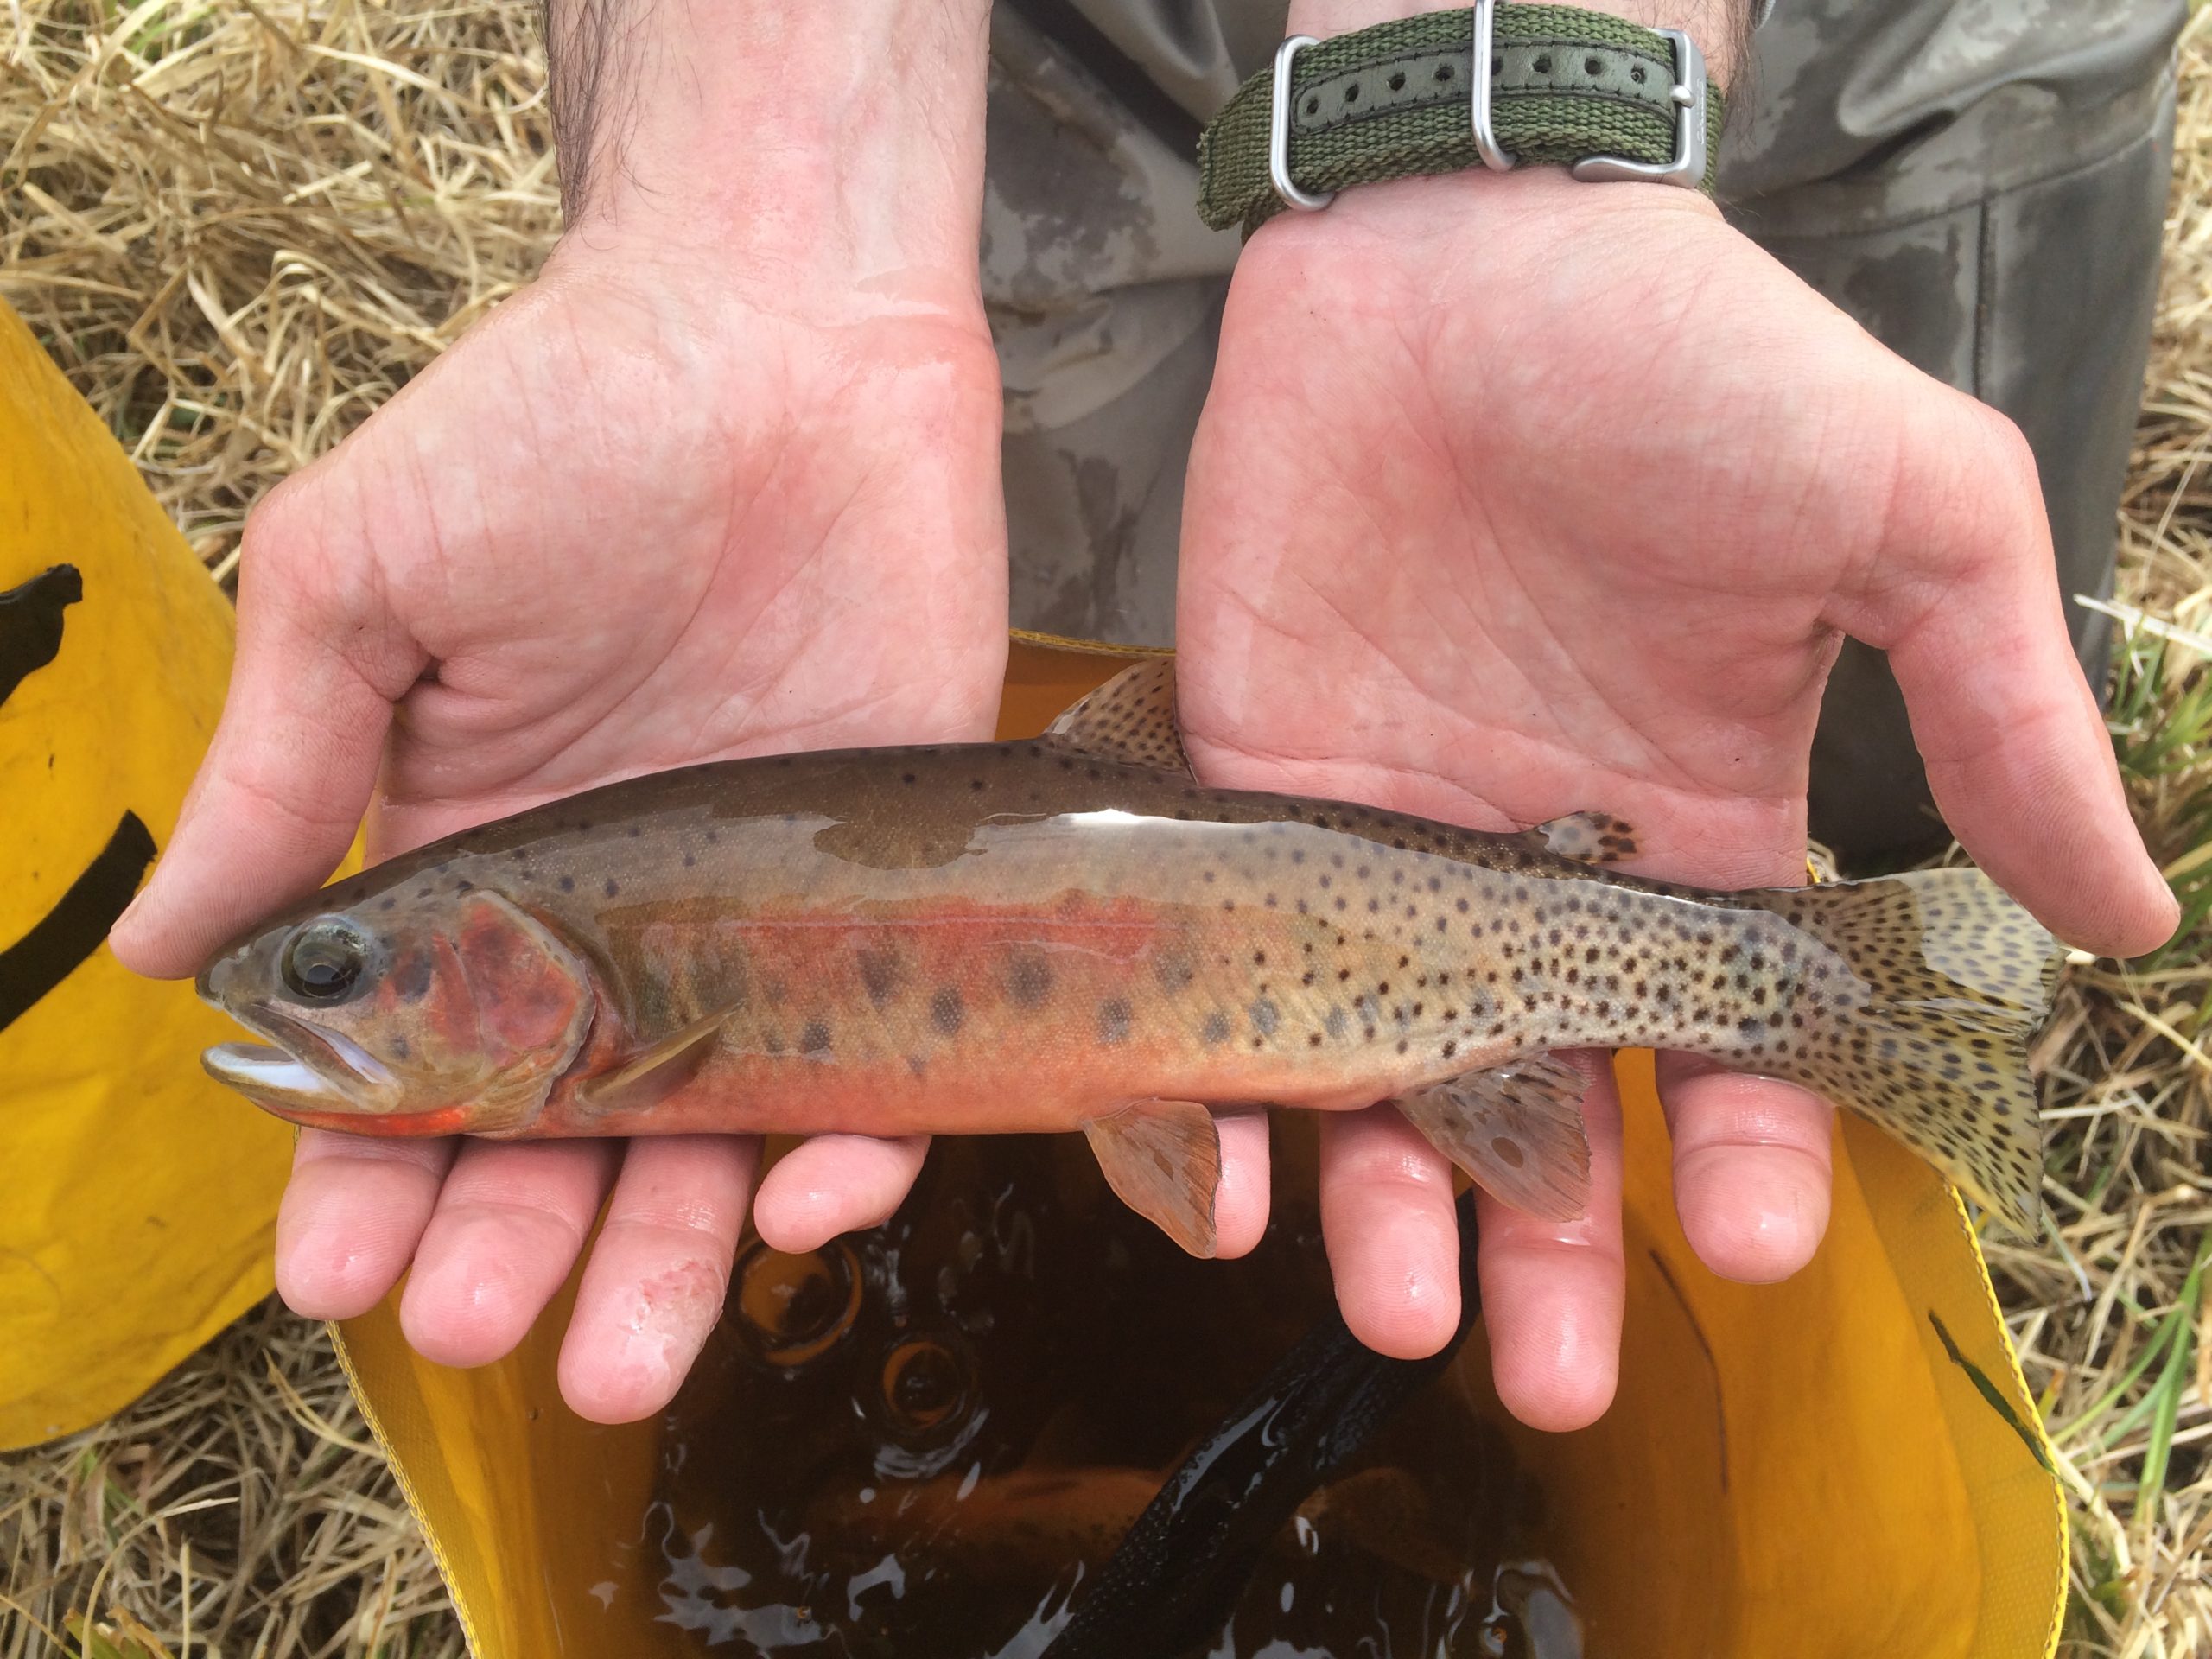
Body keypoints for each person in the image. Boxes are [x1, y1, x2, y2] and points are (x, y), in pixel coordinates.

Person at [113, 0, 2183, 1433]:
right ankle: (1876, 978)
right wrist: (756, 232)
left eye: (345, 966)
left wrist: (1513, 178)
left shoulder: (599, 989)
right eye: (338, 969)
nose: (319, 989)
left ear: (503, 967)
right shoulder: (586, 970)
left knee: (1890, 748)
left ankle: (1889, 957)